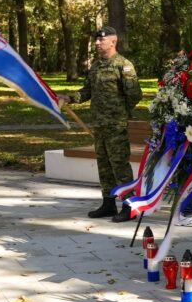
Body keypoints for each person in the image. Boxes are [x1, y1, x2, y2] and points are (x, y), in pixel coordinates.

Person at [59, 26, 143, 220]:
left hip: (115, 125)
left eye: (101, 40)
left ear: (112, 42)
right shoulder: (96, 66)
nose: (97, 43)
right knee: (104, 166)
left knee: (119, 165)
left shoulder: (123, 65)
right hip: (99, 125)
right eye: (96, 40)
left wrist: (121, 113)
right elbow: (87, 91)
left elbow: (135, 94)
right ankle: (108, 203)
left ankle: (129, 206)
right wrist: (70, 98)